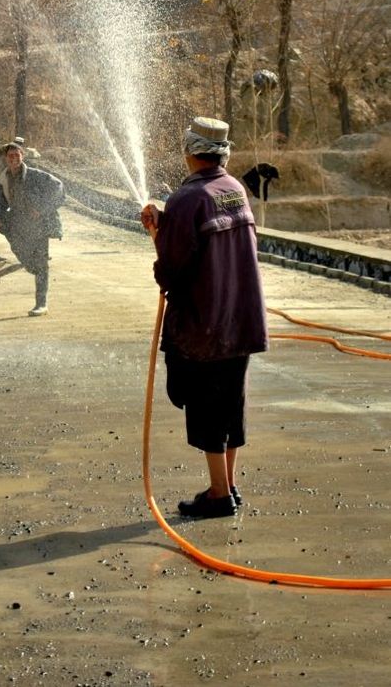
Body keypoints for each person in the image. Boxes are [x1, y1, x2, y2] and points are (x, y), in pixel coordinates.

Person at [141, 116, 268, 519]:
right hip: (241, 318)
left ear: (189, 151)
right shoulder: (235, 189)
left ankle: (217, 495)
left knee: (204, 404)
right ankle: (228, 484)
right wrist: (166, 227)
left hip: (204, 324)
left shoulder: (186, 199)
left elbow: (173, 269)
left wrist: (159, 238)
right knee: (232, 401)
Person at [0, 142, 65, 317]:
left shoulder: (35, 176)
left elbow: (58, 188)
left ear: (22, 157)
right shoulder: (4, 179)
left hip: (38, 226)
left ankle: (41, 304)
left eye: (17, 155)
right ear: (6, 159)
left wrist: (42, 208)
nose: (14, 159)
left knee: (39, 265)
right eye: (10, 156)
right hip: (16, 224)